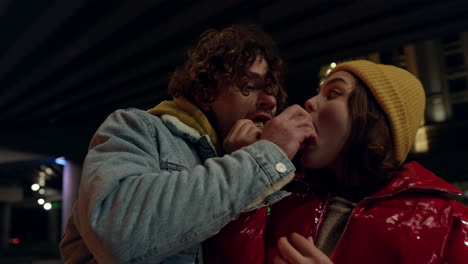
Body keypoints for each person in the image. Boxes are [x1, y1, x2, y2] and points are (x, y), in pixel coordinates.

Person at [59, 25, 316, 263]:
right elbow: (116, 235)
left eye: (272, 89)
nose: (270, 101)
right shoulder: (136, 127)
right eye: (249, 85)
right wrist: (263, 156)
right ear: (205, 93)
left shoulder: (255, 163)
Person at [203, 60, 468, 264]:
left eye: (334, 93)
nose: (308, 102)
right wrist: (245, 174)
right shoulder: (285, 198)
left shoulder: (451, 222)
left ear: (373, 117)